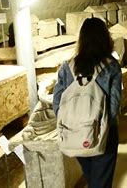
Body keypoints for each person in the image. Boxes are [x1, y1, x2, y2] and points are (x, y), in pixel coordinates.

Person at [53, 18, 121, 188]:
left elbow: (57, 103)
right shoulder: (111, 67)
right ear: (105, 38)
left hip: (75, 133)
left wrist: (73, 123)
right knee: (101, 182)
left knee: (91, 177)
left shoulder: (67, 67)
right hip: (103, 134)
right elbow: (113, 108)